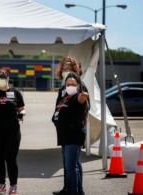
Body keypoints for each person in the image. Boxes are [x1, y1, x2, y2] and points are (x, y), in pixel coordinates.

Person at [52, 57, 90, 195]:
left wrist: (77, 119)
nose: (65, 70)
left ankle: (75, 191)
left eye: (68, 68)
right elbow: (59, 106)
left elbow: (85, 105)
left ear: (75, 70)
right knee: (70, 163)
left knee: (71, 164)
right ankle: (70, 188)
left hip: (74, 130)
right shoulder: (64, 87)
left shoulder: (79, 85)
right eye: (63, 68)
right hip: (64, 131)